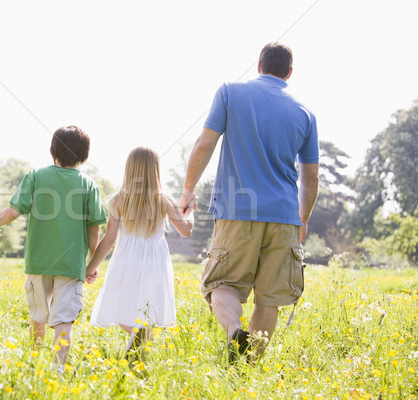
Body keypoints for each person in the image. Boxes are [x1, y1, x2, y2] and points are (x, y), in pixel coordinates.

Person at [179, 42, 320, 363]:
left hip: (237, 211)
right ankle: (248, 371)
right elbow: (311, 176)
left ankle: (233, 330)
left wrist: (187, 191)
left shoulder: (230, 92)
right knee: (269, 299)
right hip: (285, 218)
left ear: (259, 66)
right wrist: (303, 217)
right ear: (289, 73)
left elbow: (205, 143)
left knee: (221, 284)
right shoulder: (305, 113)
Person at [0, 125, 106, 373]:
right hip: (72, 265)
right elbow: (94, 230)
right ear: (84, 155)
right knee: (64, 321)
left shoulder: (36, 176)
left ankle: (33, 362)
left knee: (38, 315)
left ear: (53, 150)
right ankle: (57, 370)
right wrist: (92, 263)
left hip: (39, 261)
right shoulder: (89, 184)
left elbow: (14, 210)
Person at [87, 147, 193, 359]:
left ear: (129, 169)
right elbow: (186, 230)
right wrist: (190, 212)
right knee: (146, 308)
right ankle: (140, 341)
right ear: (156, 171)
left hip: (127, 258)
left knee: (120, 308)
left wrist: (91, 266)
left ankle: (137, 346)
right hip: (156, 260)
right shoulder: (163, 200)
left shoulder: (119, 200)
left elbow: (109, 239)